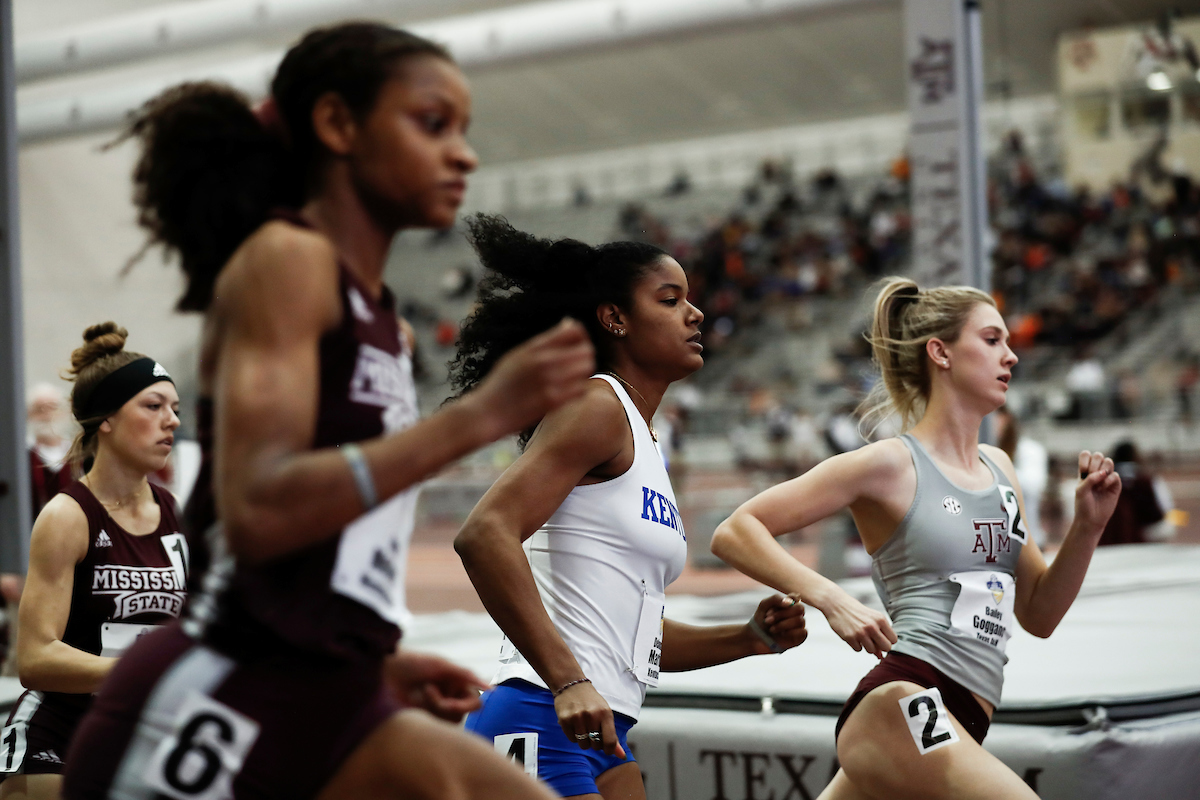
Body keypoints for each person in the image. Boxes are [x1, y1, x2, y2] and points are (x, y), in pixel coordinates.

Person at [63, 23, 594, 800]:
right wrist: (482, 417)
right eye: (433, 123)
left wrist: (371, 659)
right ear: (339, 124)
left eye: (465, 131)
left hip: (328, 690)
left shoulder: (381, 316)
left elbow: (330, 540)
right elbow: (260, 509)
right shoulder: (290, 260)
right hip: (220, 698)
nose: (465, 154)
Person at [711, 277, 1120, 800]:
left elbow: (1039, 614)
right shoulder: (890, 465)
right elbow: (736, 530)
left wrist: (1088, 527)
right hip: (905, 698)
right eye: (993, 340)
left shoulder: (1000, 469)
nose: (1012, 356)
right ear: (940, 352)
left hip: (965, 715)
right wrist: (832, 599)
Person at [451, 215, 809, 800]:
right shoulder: (598, 407)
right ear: (615, 318)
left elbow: (626, 638)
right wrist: (568, 681)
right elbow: (485, 532)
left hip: (603, 733)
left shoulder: (641, 437)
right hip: (540, 715)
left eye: (690, 300)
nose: (695, 314)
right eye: (670, 301)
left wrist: (747, 639)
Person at [1, 323, 186, 800]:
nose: (173, 421)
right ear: (106, 418)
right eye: (154, 406)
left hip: (139, 730)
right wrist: (136, 670)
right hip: (59, 735)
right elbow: (36, 657)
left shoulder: (171, 511)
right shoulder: (67, 516)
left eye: (175, 409)